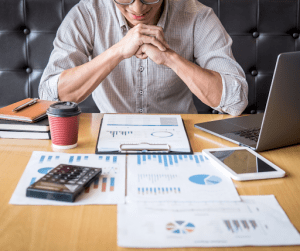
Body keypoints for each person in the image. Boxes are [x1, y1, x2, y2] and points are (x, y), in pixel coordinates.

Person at [39, 0, 248, 115]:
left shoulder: (198, 16)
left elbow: (235, 102)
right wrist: (118, 51)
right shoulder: (87, 14)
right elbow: (50, 97)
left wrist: (170, 58)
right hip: (110, 135)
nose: (137, 8)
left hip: (181, 134)